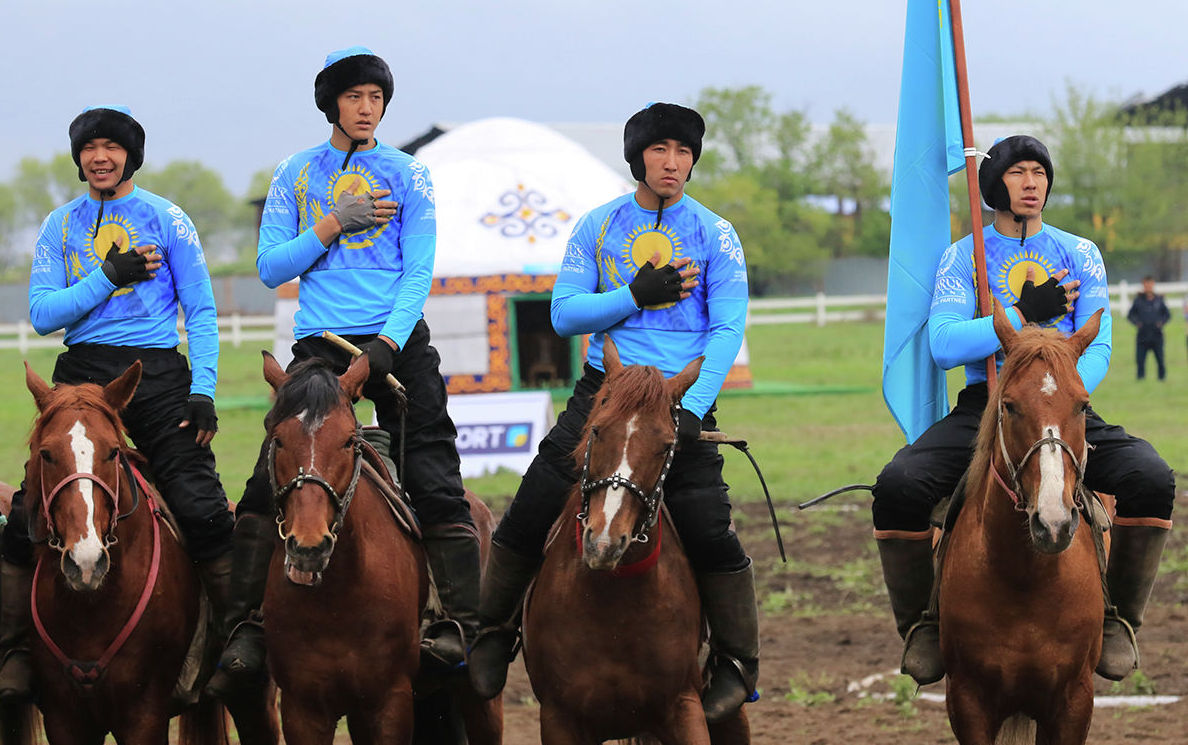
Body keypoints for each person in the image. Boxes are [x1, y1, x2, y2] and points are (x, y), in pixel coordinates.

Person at [467, 102, 756, 723]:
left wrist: (694, 408)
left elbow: (729, 327)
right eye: (660, 151)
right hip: (606, 393)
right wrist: (633, 295)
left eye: (683, 152)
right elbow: (564, 314)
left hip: (685, 398)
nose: (672, 163)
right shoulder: (597, 227)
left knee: (709, 525)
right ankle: (493, 633)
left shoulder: (716, 233)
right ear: (638, 159)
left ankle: (736, 661)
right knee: (534, 503)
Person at [205, 47, 480, 696]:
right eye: (354, 97)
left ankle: (460, 625)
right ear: (331, 103)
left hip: (395, 342)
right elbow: (273, 267)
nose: (366, 109)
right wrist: (331, 222)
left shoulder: (411, 174)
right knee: (260, 485)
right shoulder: (295, 174)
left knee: (436, 474)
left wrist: (387, 342)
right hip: (319, 346)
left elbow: (419, 268)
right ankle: (245, 627)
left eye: (376, 98)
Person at [872, 135, 1175, 685]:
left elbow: (1098, 342)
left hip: (1065, 405)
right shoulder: (966, 256)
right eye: (1018, 173)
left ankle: (1117, 621)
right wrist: (1014, 312)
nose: (1032, 182)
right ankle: (923, 625)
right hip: (987, 407)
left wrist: (1064, 395)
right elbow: (942, 343)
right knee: (897, 485)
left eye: (1039, 172)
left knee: (1152, 478)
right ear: (995, 185)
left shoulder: (1081, 253)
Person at [0, 106, 235, 700]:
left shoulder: (169, 219)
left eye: (111, 147)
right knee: (26, 511)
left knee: (202, 506)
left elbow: (202, 312)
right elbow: (44, 315)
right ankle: (13, 654)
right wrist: (107, 276)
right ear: (78, 159)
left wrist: (203, 389)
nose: (100, 157)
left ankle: (237, 640)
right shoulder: (59, 225)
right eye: (89, 148)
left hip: (154, 375)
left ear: (131, 155)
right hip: (79, 374)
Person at [1127, 276, 1169, 380]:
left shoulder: (1159, 300)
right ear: (1143, 285)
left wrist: (1161, 323)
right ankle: (1140, 379)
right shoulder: (1138, 300)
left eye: (1150, 284)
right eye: (1146, 285)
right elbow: (1130, 315)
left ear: (1153, 285)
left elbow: (1167, 314)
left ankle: (1162, 378)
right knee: (1140, 360)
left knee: (1160, 359)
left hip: (1157, 335)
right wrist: (1137, 323)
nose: (1148, 287)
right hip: (1142, 335)